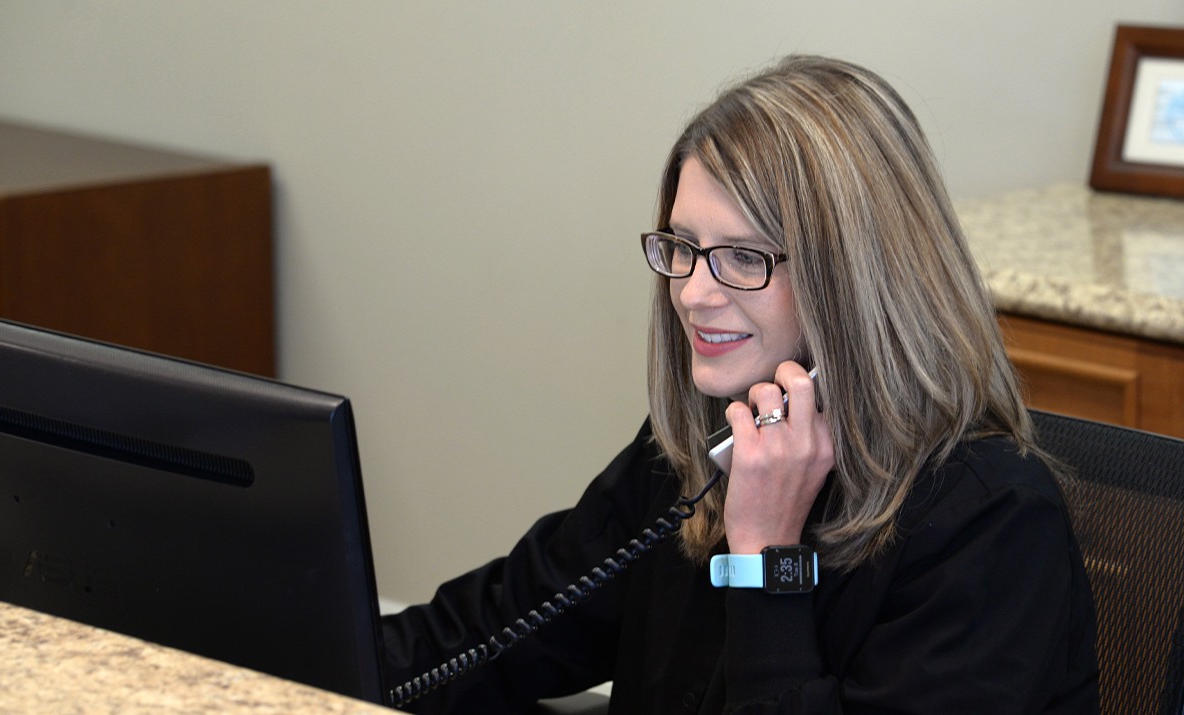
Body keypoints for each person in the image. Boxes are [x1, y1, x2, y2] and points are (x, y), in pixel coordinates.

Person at [381, 55, 1098, 713]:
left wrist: (764, 558)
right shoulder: (706, 446)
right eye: (684, 248)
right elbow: (493, 632)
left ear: (855, 282)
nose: (693, 292)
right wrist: (294, 664)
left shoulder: (991, 524)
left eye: (743, 257)